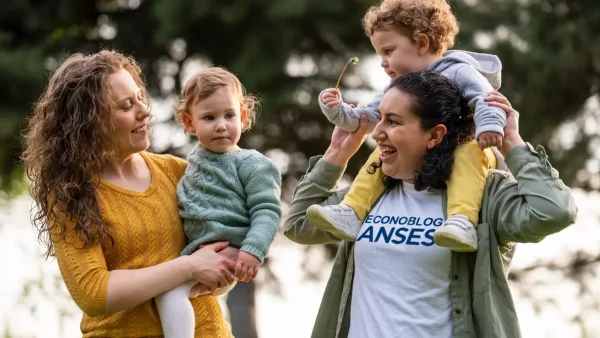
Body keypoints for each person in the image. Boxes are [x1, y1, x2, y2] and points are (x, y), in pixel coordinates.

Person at [283, 71, 577, 338]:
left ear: (435, 135)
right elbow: (297, 225)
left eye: (393, 121)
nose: (376, 132)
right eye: (380, 117)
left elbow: (554, 210)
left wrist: (511, 141)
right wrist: (336, 152)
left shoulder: (485, 199)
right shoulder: (365, 198)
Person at [22, 50, 236, 337]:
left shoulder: (180, 173)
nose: (145, 112)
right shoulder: (70, 194)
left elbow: (219, 259)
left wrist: (221, 270)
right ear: (90, 122)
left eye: (140, 99)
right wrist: (188, 267)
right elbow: (93, 291)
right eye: (125, 106)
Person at [309, 0, 505, 252]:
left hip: (471, 149)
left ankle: (462, 221)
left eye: (388, 51)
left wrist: (488, 125)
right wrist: (338, 110)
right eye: (380, 54)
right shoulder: (400, 87)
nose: (382, 61)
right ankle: (351, 211)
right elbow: (368, 119)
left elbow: (487, 99)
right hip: (423, 159)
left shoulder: (459, 71)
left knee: (469, 153)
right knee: (380, 152)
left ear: (422, 43)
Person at [155, 67, 282, 338]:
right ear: (190, 124)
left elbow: (267, 211)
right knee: (169, 292)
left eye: (229, 115)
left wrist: (252, 250)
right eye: (209, 117)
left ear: (243, 117)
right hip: (196, 254)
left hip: (231, 252)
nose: (221, 125)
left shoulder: (253, 165)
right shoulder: (194, 161)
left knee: (168, 292)